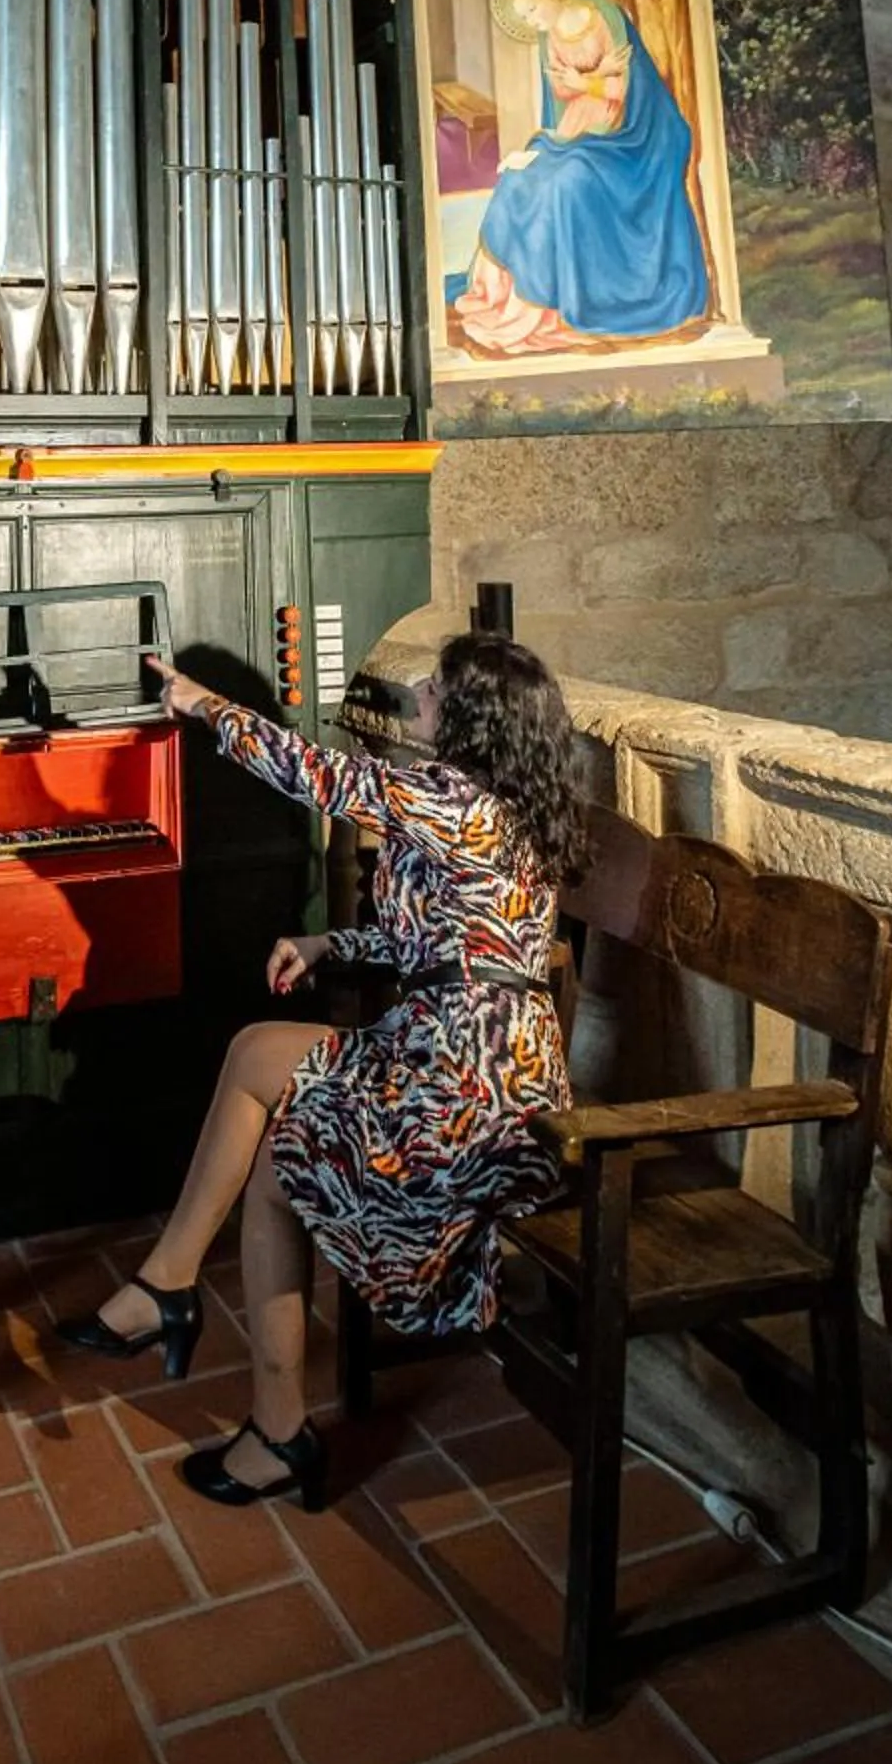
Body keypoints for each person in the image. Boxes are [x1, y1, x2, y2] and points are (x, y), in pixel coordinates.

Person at [58, 631, 585, 1511]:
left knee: (258, 1058)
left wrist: (202, 706)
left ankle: (180, 1303)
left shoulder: (453, 801)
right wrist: (325, 943)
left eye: (437, 682)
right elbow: (443, 945)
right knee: (271, 1149)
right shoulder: (502, 804)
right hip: (461, 1052)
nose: (419, 687)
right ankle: (253, 1400)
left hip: (470, 1092)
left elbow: (324, 779)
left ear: (472, 716)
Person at [449, 0, 708, 355]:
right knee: (518, 179)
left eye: (533, 9)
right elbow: (563, 91)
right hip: (578, 126)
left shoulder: (603, 15)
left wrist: (586, 82)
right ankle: (517, 305)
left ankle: (566, 299)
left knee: (567, 182)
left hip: (627, 133)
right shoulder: (548, 37)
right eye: (526, 16)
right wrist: (585, 82)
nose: (532, 21)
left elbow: (623, 89)